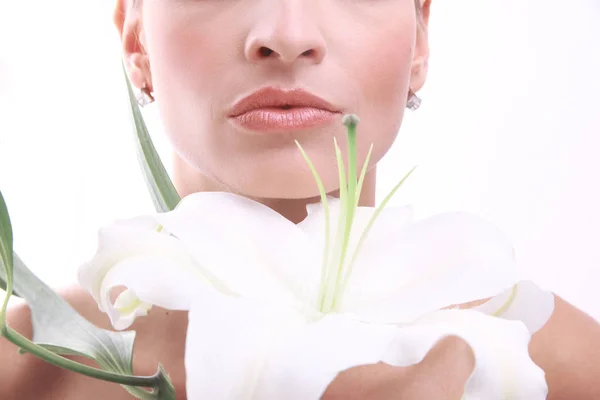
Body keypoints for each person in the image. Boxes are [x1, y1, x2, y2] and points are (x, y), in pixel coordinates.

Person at [2, 0, 600, 399]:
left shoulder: (558, 366)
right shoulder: (25, 363)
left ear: (420, 38)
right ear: (137, 41)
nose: (286, 38)